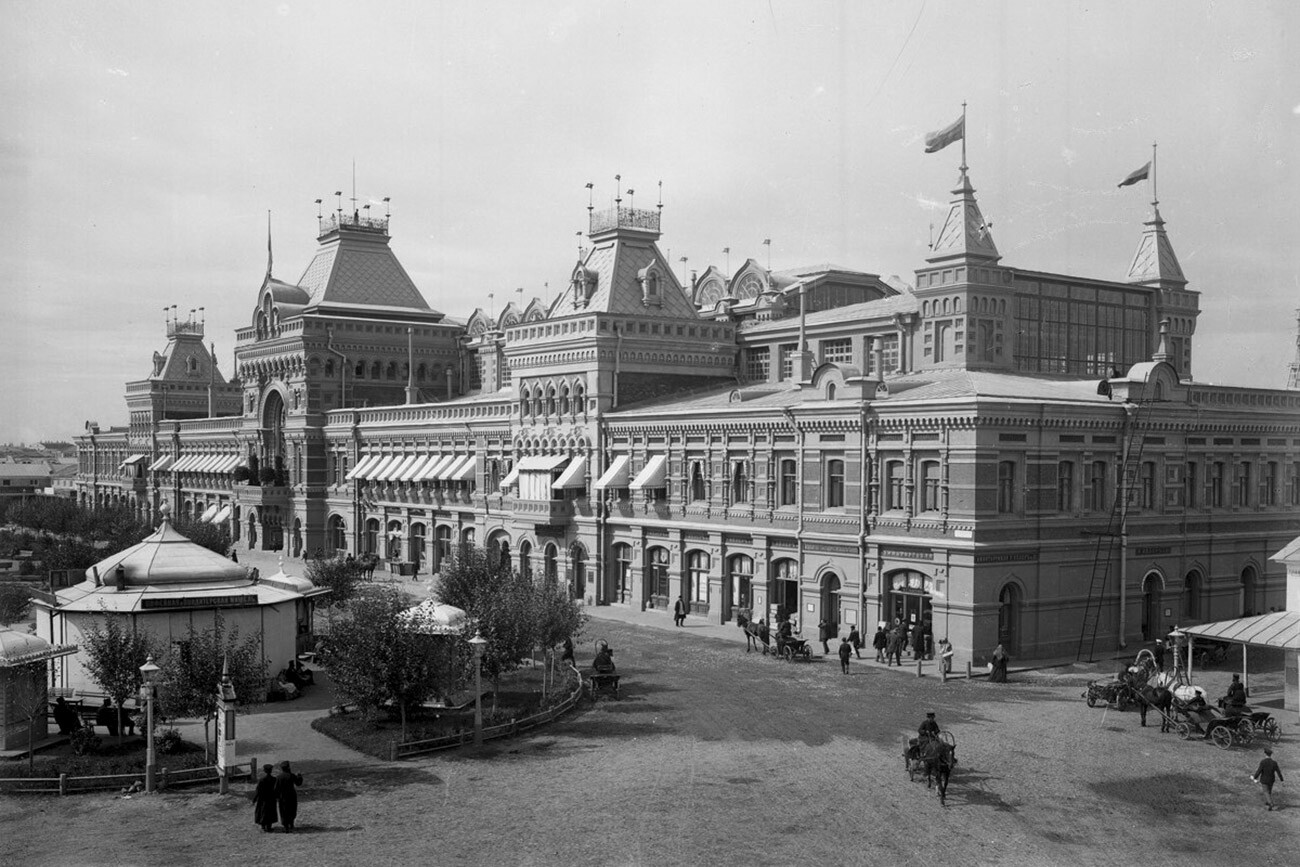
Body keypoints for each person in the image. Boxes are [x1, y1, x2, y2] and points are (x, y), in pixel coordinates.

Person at [275, 761, 303, 832]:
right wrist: (299, 776)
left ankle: (285, 826)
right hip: (291, 795)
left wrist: (277, 797)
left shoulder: (279, 777)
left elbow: (276, 789)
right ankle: (291, 823)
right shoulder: (292, 775)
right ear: (288, 768)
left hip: (283, 796)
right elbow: (298, 783)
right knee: (292, 809)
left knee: (284, 811)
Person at [253, 763, 279, 832]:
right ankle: (269, 826)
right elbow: (276, 789)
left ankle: (263, 825)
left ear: (264, 771)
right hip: (271, 798)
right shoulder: (274, 779)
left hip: (263, 798)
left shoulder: (262, 780)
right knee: (270, 812)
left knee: (262, 811)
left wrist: (255, 799)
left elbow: (258, 790)